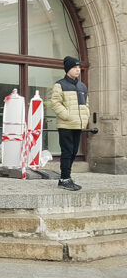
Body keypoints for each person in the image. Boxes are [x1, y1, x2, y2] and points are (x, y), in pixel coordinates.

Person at [51, 56, 89, 191]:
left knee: (73, 152)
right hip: (66, 125)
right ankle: (64, 178)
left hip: (78, 125)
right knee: (67, 151)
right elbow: (55, 102)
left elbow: (86, 104)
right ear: (68, 69)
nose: (78, 70)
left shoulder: (82, 86)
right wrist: (66, 115)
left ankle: (66, 176)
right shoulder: (60, 84)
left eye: (79, 67)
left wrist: (85, 117)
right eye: (74, 67)